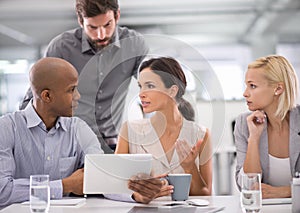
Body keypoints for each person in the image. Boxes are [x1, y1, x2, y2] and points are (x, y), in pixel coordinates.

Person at [0, 57, 162, 208]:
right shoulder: (6, 128)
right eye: (71, 90)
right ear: (47, 96)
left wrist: (135, 195)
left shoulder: (79, 129)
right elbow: (3, 191)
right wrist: (65, 185)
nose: (78, 96)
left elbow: (101, 177)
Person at [19, 0, 149, 153]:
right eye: (92, 27)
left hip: (113, 144)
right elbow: (35, 97)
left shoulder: (134, 45)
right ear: (81, 21)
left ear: (117, 16)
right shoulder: (61, 47)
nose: (101, 34)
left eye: (107, 25)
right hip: (69, 143)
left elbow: (152, 85)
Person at [115, 57, 213, 200]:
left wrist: (190, 167)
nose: (141, 93)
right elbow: (114, 186)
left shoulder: (200, 134)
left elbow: (205, 195)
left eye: (149, 86)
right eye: (140, 86)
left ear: (172, 91)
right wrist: (137, 196)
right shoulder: (129, 131)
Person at [234, 55, 300, 198]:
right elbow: (247, 187)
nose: (245, 93)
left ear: (278, 88)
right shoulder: (244, 123)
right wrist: (254, 138)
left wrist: (283, 192)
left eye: (252, 86)